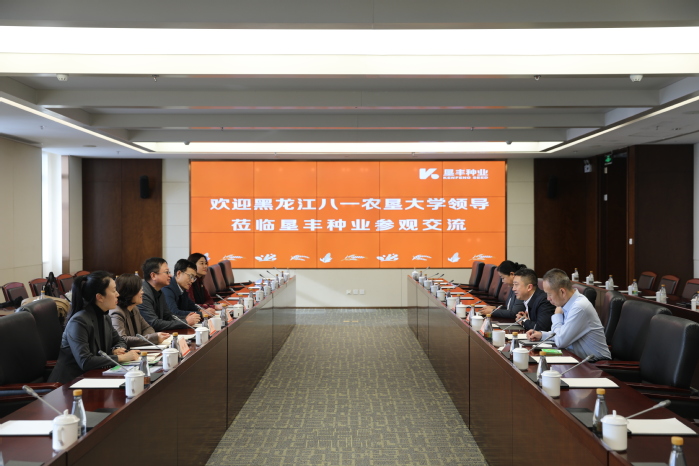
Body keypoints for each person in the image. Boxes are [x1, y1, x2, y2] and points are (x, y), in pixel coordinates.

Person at [48, 271, 140, 384]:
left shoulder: (104, 316)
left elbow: (119, 340)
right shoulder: (79, 321)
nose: (117, 294)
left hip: (95, 376)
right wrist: (121, 358)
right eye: (113, 291)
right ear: (100, 297)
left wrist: (116, 349)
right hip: (70, 383)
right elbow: (85, 361)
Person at [527, 268, 611, 361]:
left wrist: (557, 315)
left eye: (549, 294)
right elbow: (561, 334)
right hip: (578, 358)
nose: (548, 298)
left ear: (562, 292)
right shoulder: (569, 303)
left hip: (596, 364)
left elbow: (560, 341)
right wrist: (542, 335)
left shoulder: (579, 307)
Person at [110, 273, 169, 348]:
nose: (142, 292)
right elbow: (121, 339)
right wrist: (152, 338)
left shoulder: (134, 308)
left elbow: (147, 328)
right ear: (129, 292)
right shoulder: (117, 312)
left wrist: (145, 339)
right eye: (139, 289)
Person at [138, 257, 193, 331]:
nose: (170, 275)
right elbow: (153, 323)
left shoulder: (159, 291)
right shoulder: (143, 294)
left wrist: (185, 318)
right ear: (153, 276)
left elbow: (167, 316)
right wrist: (185, 322)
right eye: (167, 272)